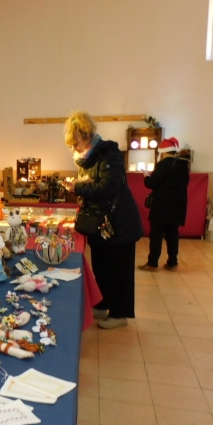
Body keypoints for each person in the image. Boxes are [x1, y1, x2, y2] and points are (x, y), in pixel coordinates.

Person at [62, 112, 143, 330]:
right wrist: (80, 184)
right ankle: (103, 303)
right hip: (99, 223)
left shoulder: (109, 153)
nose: (74, 148)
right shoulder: (86, 159)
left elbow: (108, 186)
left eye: (76, 142)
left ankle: (119, 313)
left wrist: (77, 186)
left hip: (119, 222)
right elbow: (94, 185)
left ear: (86, 135)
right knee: (103, 268)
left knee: (120, 270)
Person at [139, 137, 190, 272]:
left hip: (162, 206)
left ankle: (152, 263)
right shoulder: (183, 165)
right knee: (173, 234)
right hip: (178, 205)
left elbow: (152, 183)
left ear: (164, 152)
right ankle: (173, 263)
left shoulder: (163, 164)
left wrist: (146, 177)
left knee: (156, 235)